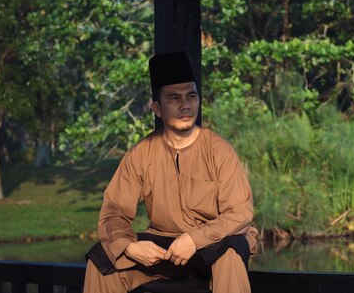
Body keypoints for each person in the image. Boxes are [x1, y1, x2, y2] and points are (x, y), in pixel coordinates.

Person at [83, 51, 257, 293]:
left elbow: (239, 213)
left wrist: (193, 239)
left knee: (230, 250)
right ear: (157, 108)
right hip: (165, 247)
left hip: (212, 245)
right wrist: (129, 247)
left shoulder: (219, 150)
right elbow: (113, 214)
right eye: (174, 98)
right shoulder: (141, 152)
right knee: (103, 259)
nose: (185, 105)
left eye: (191, 96)